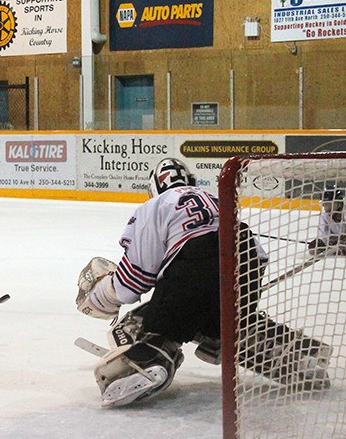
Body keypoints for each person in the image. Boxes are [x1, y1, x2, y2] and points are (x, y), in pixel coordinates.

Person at [76, 158, 331, 407]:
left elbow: (135, 279)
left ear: (153, 187)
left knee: (149, 320)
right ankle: (297, 353)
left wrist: (103, 294)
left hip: (196, 263)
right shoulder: (216, 200)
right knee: (229, 321)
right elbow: (259, 257)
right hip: (245, 261)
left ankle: (151, 360)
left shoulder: (155, 205)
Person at [308, 185, 346, 255]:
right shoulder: (324, 216)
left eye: (328, 203)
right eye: (324, 204)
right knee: (313, 249)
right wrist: (320, 243)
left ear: (338, 203)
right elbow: (324, 236)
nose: (325, 207)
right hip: (338, 244)